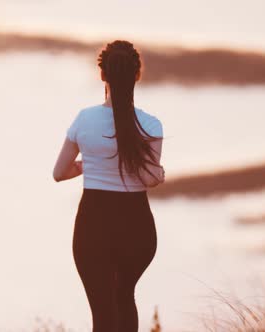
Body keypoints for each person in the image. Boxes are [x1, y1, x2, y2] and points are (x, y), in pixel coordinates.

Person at [53, 40, 165, 332]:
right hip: (137, 224)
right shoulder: (151, 125)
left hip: (94, 222)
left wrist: (87, 164)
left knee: (102, 311)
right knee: (124, 296)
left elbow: (59, 172)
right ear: (136, 75)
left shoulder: (84, 119)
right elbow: (150, 178)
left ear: (102, 75)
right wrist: (160, 173)